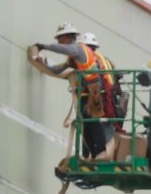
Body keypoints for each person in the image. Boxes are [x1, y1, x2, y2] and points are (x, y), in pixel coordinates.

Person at [29, 23, 120, 159]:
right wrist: (44, 64)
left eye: (60, 37)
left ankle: (101, 152)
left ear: (67, 37)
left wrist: (43, 46)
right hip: (87, 92)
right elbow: (60, 70)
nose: (59, 41)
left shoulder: (78, 49)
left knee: (93, 123)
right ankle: (92, 154)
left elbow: (61, 49)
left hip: (93, 92)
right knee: (87, 125)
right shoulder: (75, 55)